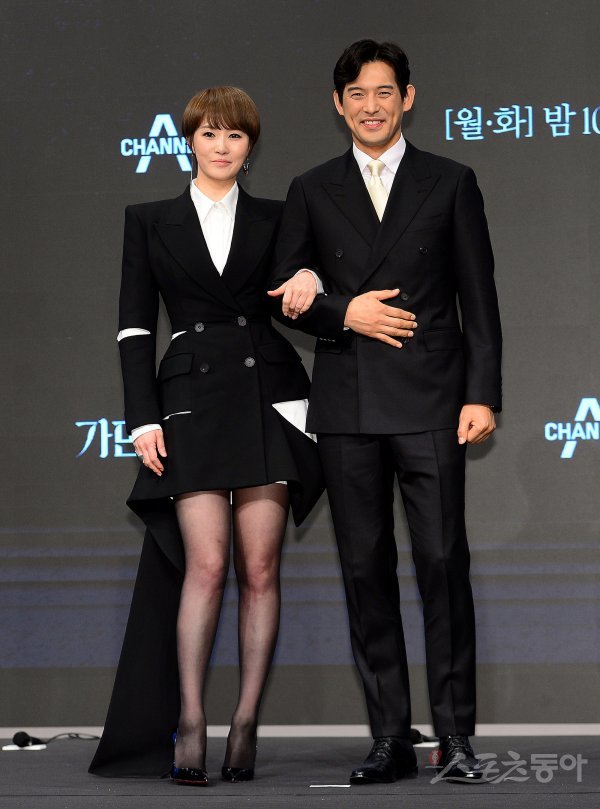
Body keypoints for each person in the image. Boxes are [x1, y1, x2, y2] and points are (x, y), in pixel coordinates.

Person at [269, 40, 502, 784]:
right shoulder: (312, 188)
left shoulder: (451, 180)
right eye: (357, 94)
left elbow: (479, 298)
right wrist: (346, 312)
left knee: (441, 561)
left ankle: (456, 736)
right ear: (338, 105)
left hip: (432, 398)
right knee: (364, 569)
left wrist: (481, 392)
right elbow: (285, 293)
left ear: (408, 98)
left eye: (384, 92)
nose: (371, 106)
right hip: (347, 403)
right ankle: (390, 737)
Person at [89, 86, 323, 785]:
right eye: (210, 133)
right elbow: (135, 327)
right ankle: (190, 719)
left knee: (261, 568)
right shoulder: (149, 219)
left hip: (267, 395)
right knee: (208, 566)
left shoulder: (278, 216)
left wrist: (310, 272)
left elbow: (306, 285)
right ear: (188, 140)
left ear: (251, 147)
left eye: (236, 136)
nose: (222, 146)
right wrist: (142, 417)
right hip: (190, 400)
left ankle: (245, 721)